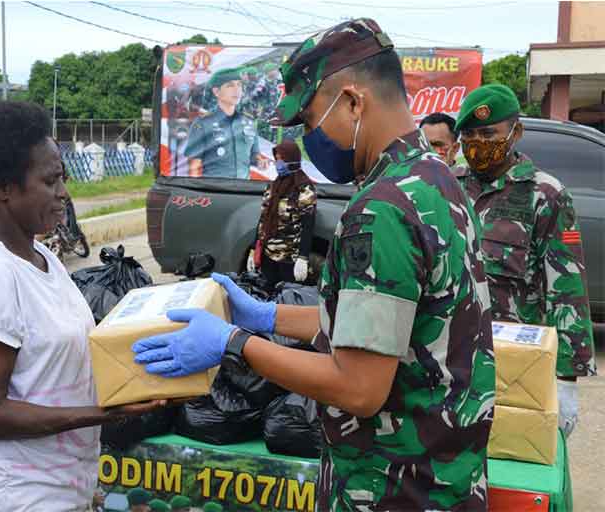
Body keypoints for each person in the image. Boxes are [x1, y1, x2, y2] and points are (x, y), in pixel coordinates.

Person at [133, 19, 495, 511]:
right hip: (443, 477)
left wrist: (235, 344)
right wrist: (263, 315)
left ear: (352, 101)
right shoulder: (435, 179)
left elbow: (359, 387)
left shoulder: (382, 207)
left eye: (308, 122)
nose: (307, 140)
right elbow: (375, 325)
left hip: (392, 488)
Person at [0, 102, 163, 512]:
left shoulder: (42, 256)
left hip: (59, 493)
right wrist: (101, 413)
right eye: (50, 180)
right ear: (3, 187)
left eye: (62, 178)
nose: (64, 193)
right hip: (10, 499)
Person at [453, 84, 597, 437]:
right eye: (469, 134)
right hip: (449, 360)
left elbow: (566, 288)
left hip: (512, 366)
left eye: (488, 133)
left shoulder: (544, 195)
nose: (477, 142)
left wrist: (565, 378)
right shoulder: (446, 186)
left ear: (515, 132)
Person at [247, 139, 315, 287]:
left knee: (286, 299)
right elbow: (263, 220)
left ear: (292, 160)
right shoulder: (273, 186)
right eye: (277, 159)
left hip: (289, 260)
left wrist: (303, 258)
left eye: (282, 159)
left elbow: (308, 226)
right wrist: (254, 249)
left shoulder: (304, 189)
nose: (278, 163)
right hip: (267, 257)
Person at [184, 67, 264, 179]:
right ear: (216, 92)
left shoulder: (249, 123)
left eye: (239, 85)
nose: (237, 90)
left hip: (243, 190)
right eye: (230, 85)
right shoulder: (203, 124)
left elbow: (255, 155)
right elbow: (193, 167)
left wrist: (260, 161)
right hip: (215, 191)